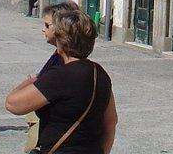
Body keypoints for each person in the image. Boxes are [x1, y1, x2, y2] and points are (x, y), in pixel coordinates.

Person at [6, 8, 117, 154]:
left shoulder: (60, 76)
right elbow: (110, 122)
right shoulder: (100, 73)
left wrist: (34, 79)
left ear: (62, 42)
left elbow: (13, 104)